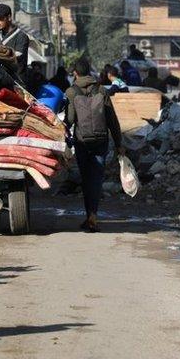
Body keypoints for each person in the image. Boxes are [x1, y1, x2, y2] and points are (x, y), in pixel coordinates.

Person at [66, 58, 124, 233]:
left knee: (86, 179)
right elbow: (112, 119)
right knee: (96, 179)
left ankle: (89, 216)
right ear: (89, 72)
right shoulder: (101, 89)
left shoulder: (71, 91)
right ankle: (93, 216)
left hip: (82, 141)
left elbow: (69, 120)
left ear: (75, 73)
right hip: (101, 140)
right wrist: (119, 143)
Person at [0, 4, 29, 80]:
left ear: (9, 17)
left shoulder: (21, 36)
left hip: (16, 84)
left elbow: (14, 57)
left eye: (0, 18)